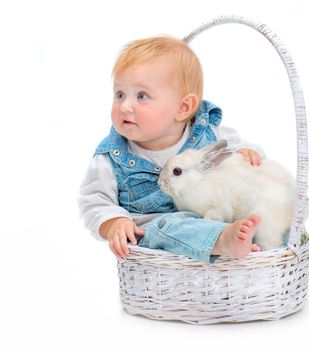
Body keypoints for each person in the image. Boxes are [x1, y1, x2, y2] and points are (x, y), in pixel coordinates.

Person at [78, 36, 264, 263]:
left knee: (253, 207)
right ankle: (222, 241)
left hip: (214, 215)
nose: (125, 106)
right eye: (120, 94)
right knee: (166, 226)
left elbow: (234, 150)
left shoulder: (207, 134)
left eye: (141, 96)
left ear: (183, 108)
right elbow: (93, 200)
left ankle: (246, 241)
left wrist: (247, 153)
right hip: (158, 240)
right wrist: (114, 222)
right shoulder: (112, 156)